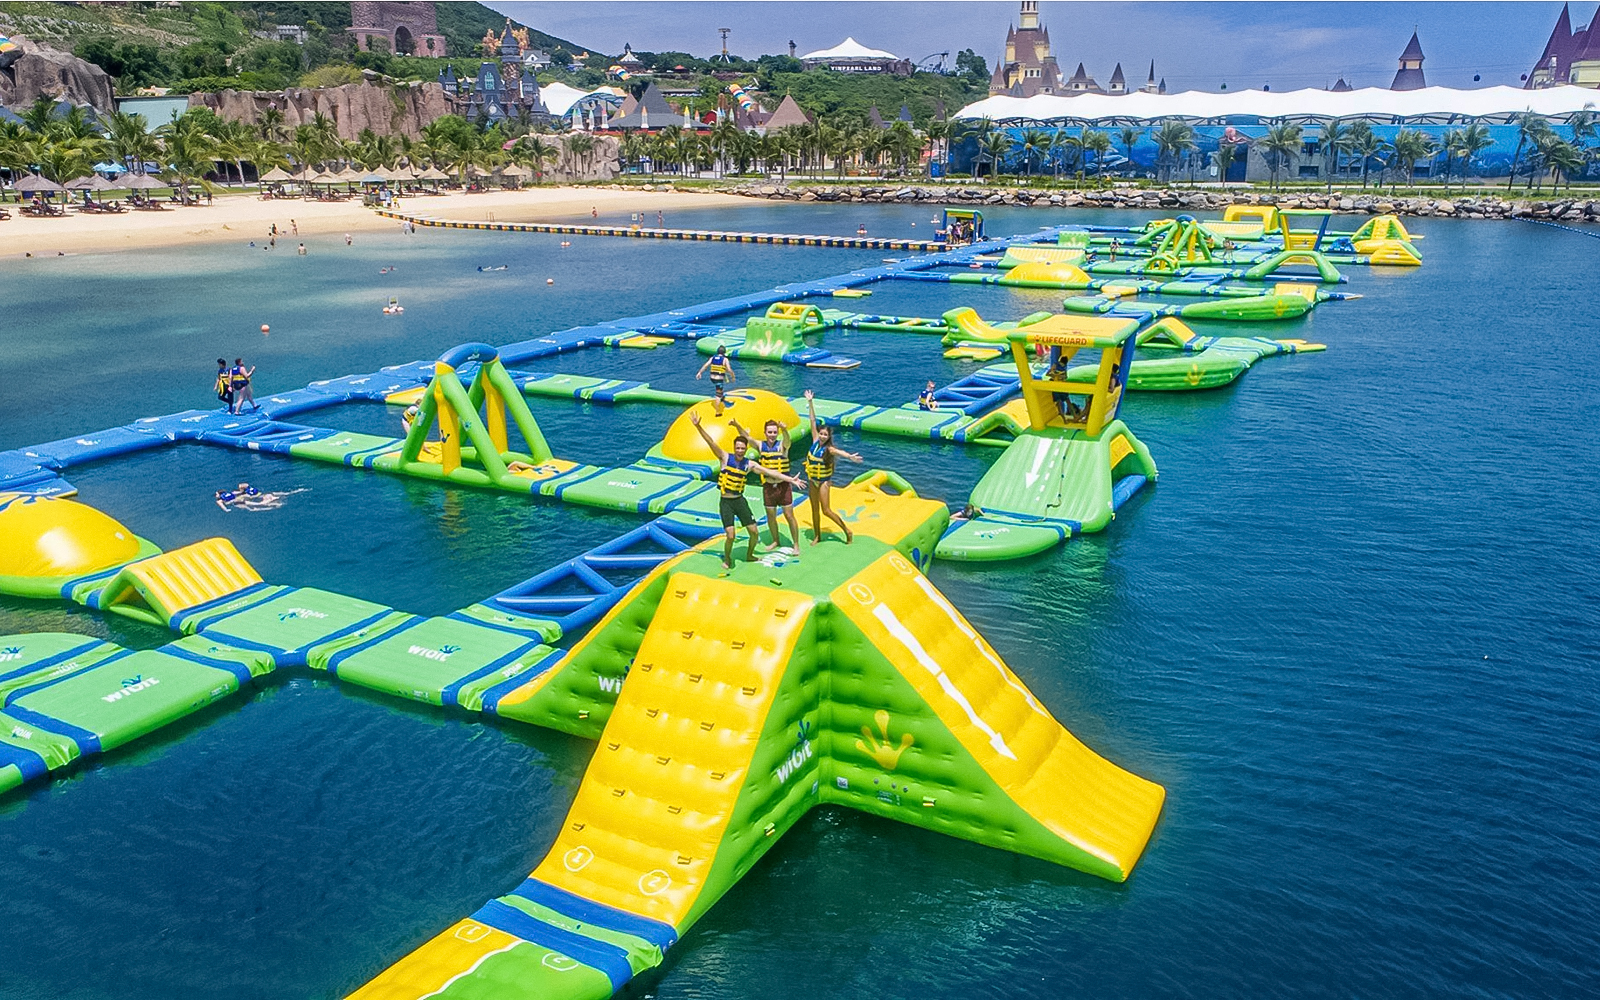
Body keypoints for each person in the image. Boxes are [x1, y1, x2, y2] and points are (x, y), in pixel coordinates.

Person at [689, 412, 802, 569]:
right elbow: (711, 441)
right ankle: (727, 558)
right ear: (735, 448)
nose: (741, 450)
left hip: (741, 500)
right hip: (727, 502)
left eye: (743, 448)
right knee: (731, 535)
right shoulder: (725, 457)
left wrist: (790, 480)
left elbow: (771, 472)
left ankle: (750, 555)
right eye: (738, 448)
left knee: (755, 532)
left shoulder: (750, 464)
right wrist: (698, 426)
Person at [732, 416, 801, 554]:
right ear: (765, 433)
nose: (772, 435)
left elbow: (788, 441)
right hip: (768, 486)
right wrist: (736, 425)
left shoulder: (782, 445)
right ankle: (775, 540)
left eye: (775, 432)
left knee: (789, 515)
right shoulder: (760, 445)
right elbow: (746, 437)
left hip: (783, 486)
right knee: (771, 516)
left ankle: (796, 544)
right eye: (769, 432)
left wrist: (785, 429)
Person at [803, 390, 863, 545]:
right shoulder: (815, 440)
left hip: (823, 481)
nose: (822, 436)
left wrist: (850, 456)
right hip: (812, 479)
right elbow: (812, 420)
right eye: (821, 433)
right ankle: (817, 535)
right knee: (814, 509)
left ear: (828, 437)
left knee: (826, 510)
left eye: (825, 435)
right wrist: (810, 402)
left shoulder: (829, 449)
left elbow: (839, 452)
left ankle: (847, 530)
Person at [695, 343, 735, 416]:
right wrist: (733, 376)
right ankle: (717, 412)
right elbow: (729, 369)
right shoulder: (725, 359)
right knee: (718, 395)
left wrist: (699, 373)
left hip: (712, 378)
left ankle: (722, 396)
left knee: (720, 389)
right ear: (724, 353)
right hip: (718, 379)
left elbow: (706, 365)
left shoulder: (712, 358)